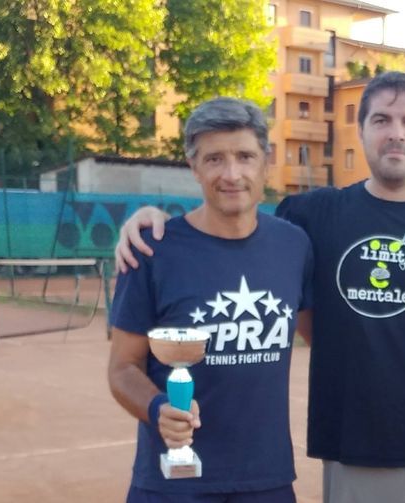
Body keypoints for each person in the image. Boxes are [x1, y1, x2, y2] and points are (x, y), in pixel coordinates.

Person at [116, 72, 405, 503]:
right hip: (354, 456)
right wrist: (148, 220)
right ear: (360, 130)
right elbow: (231, 225)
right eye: (381, 120)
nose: (396, 133)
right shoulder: (311, 217)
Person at [107, 97, 313, 503]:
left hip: (266, 482)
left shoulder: (294, 245)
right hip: (172, 484)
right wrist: (157, 408)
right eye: (214, 159)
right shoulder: (151, 249)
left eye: (244, 156)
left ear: (266, 161)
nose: (232, 174)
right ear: (194, 166)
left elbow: (323, 338)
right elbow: (122, 368)